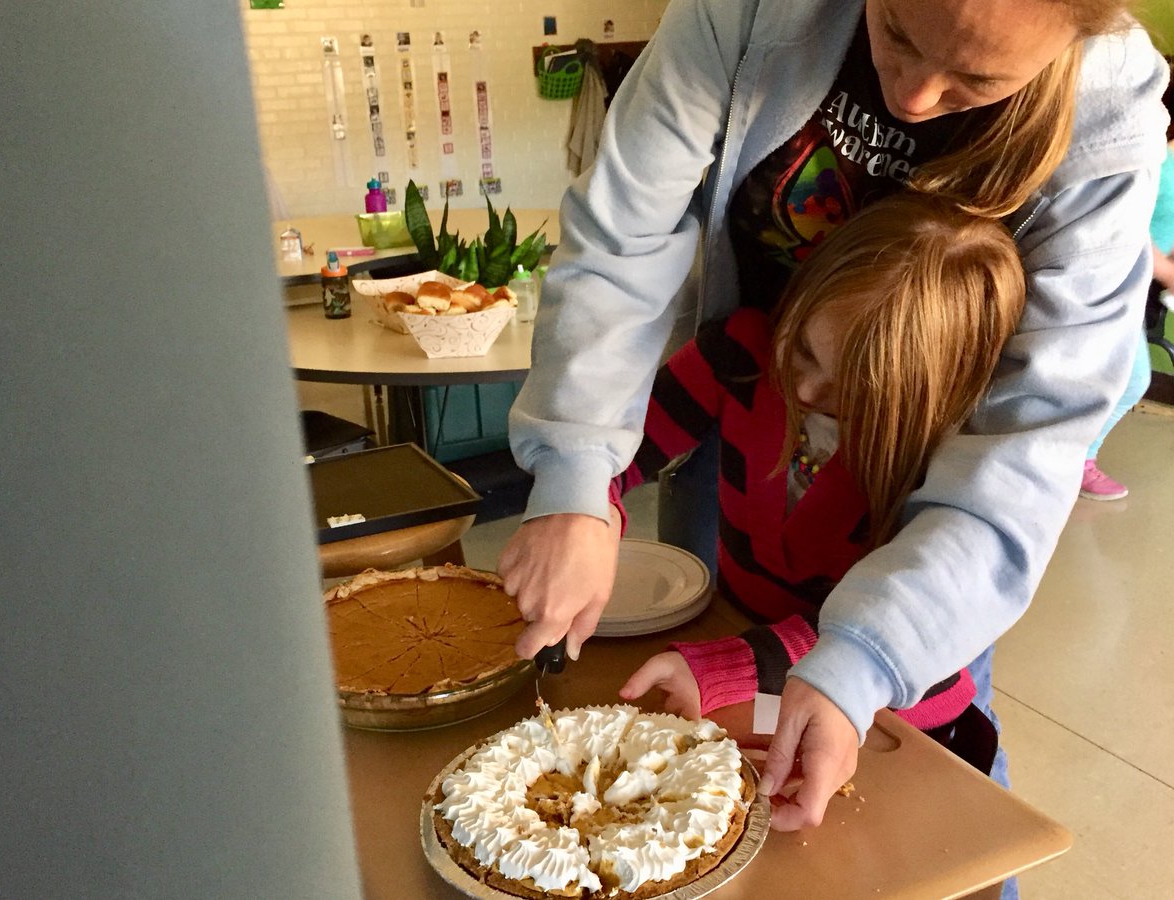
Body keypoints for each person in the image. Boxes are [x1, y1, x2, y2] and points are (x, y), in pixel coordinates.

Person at [499, 0, 1168, 853]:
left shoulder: (1108, 120)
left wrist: (869, 657)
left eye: (977, 80)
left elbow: (1024, 452)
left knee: (913, 797)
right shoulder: (751, 364)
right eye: (895, 32)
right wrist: (576, 480)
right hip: (753, 453)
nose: (917, 99)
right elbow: (624, 234)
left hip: (920, 496)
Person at [606, 192, 1025, 783]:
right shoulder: (741, 354)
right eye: (803, 349)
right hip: (757, 648)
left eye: (850, 389)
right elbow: (619, 448)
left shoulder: (937, 469)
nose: (803, 391)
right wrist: (587, 511)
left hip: (886, 709)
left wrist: (737, 665)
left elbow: (904, 656)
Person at [1081, 65, 1174, 500]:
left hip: (1134, 286)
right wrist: (1167, 270)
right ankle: (1077, 461)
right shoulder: (1155, 157)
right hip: (1107, 277)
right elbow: (1131, 228)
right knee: (1133, 380)